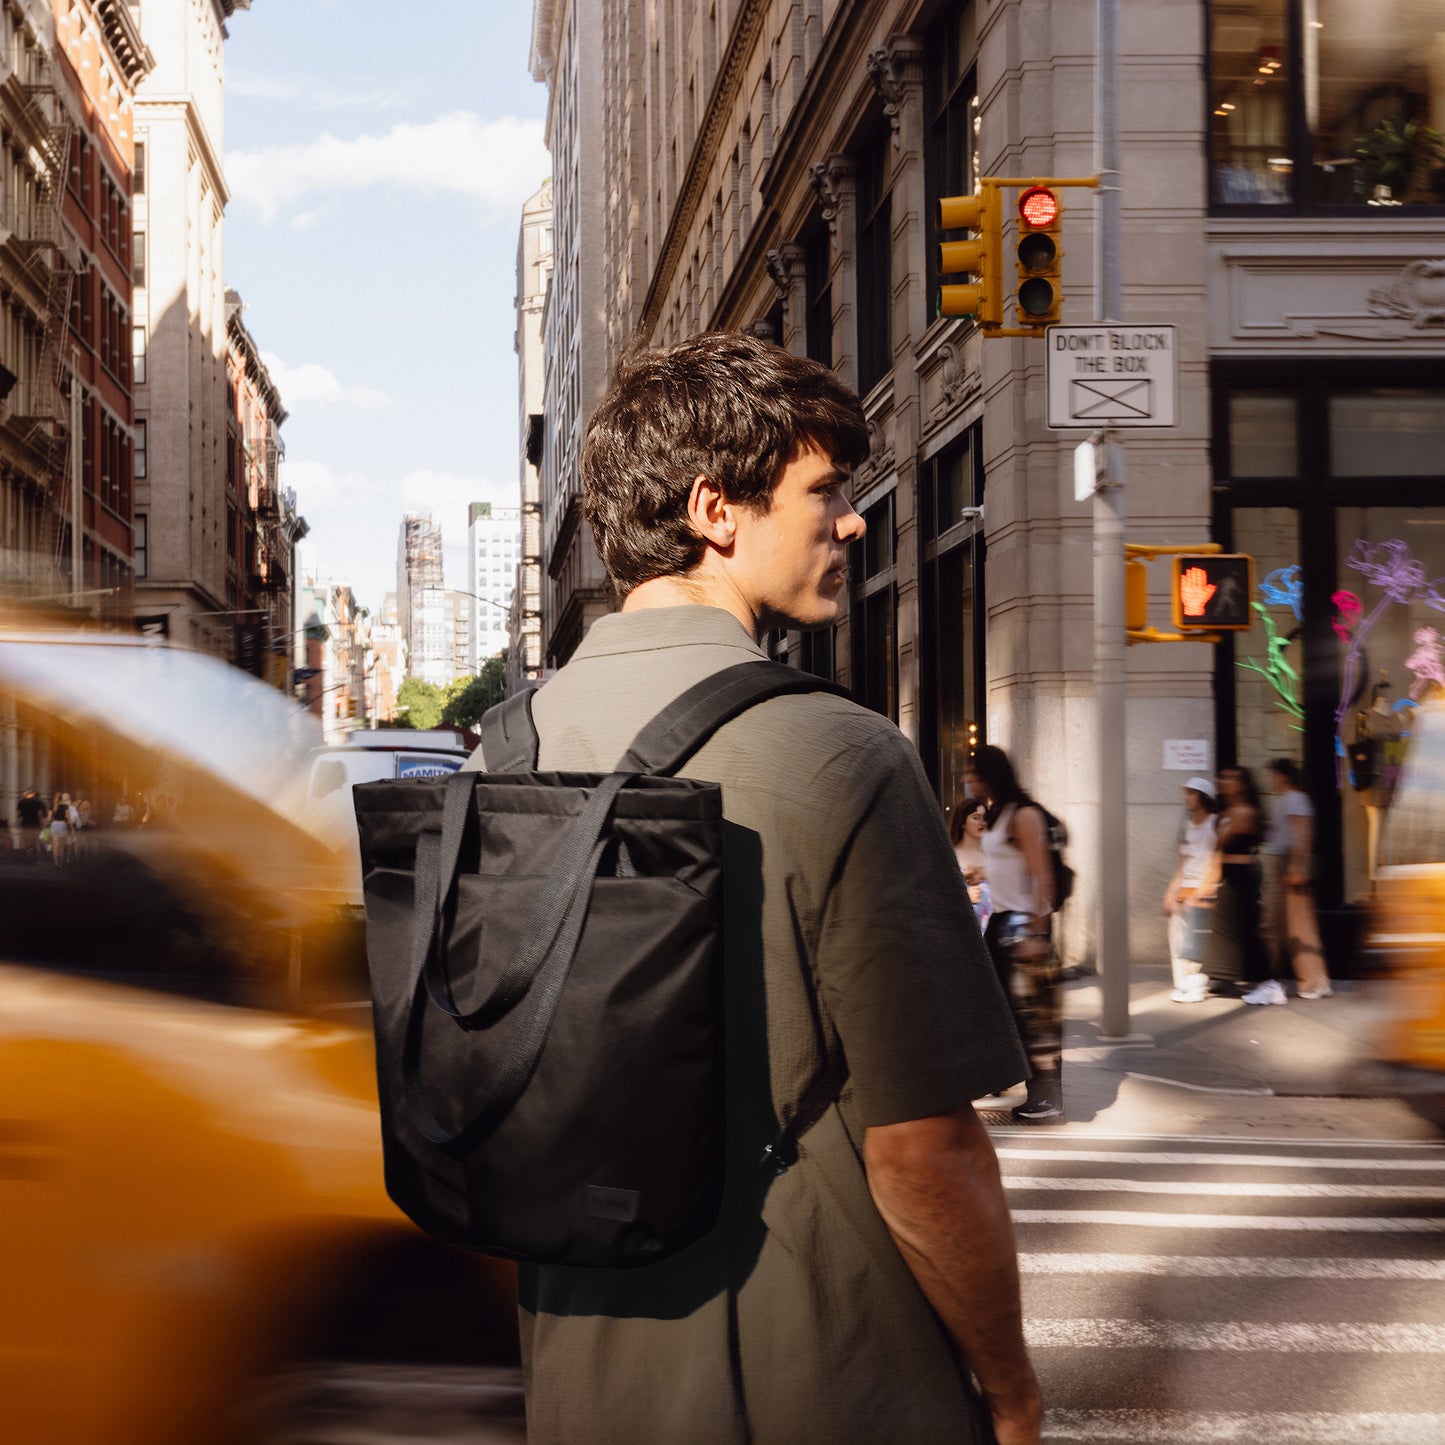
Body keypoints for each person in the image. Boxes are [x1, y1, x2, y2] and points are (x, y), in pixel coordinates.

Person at [464, 333, 1040, 1445]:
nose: (853, 521)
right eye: (824, 492)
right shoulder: (842, 752)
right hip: (823, 1375)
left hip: (584, 1378)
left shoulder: (503, 751)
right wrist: (1011, 1391)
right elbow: (923, 1148)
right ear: (715, 510)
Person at [965, 745, 1064, 1124]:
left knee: (1035, 1016)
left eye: (973, 772)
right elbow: (1010, 865)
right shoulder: (1000, 812)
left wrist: (1038, 934)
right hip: (1002, 923)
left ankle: (1047, 1097)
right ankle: (1018, 1082)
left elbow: (1042, 875)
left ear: (990, 774)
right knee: (1005, 1011)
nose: (967, 778)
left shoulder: (1023, 814)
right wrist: (983, 875)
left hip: (1023, 924)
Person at [1200, 765, 1276, 1002]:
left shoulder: (1243, 812)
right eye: (1222, 777)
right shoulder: (1226, 812)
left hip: (1242, 875)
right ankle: (1221, 976)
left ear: (1243, 785)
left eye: (1231, 778)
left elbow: (1221, 848)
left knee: (1246, 928)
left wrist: (1209, 883)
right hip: (1232, 874)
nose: (1224, 781)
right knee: (1226, 929)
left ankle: (1269, 984)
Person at [1264, 759, 1333, 999]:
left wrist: (1297, 867)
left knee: (1297, 926)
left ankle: (1314, 982)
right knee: (1288, 925)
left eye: (1273, 775)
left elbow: (1302, 836)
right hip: (1285, 863)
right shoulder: (1290, 799)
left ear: (1283, 776)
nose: (1271, 780)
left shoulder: (1295, 799)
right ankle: (1311, 981)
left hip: (1289, 864)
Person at [1162, 777, 1218, 1003]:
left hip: (1205, 890)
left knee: (1197, 940)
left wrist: (1203, 891)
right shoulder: (1186, 826)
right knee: (1177, 938)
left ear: (1203, 797)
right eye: (1186, 793)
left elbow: (1217, 862)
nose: (1187, 798)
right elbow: (1182, 863)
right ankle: (1182, 984)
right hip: (1185, 888)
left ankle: (1197, 985)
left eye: (1192, 793)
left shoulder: (1215, 823)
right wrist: (1171, 893)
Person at [950, 795, 992, 933]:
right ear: (963, 822)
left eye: (984, 817)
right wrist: (965, 895)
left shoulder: (994, 855)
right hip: (965, 933)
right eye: (975, 817)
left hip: (993, 932)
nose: (982, 822)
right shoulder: (950, 856)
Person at [15, 787, 47, 860]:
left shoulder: (21, 802)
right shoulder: (38, 802)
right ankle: (34, 858)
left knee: (25, 842)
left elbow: (18, 815)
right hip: (35, 825)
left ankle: (26, 856)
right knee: (34, 842)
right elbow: (40, 815)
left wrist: (24, 811)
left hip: (25, 824)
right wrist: (42, 825)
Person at [48, 792, 75, 868]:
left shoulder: (52, 806)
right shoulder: (65, 806)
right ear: (62, 799)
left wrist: (53, 819)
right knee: (62, 845)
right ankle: (61, 863)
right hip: (62, 825)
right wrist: (72, 829)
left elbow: (49, 819)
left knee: (55, 845)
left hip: (54, 825)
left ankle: (55, 862)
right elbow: (68, 818)